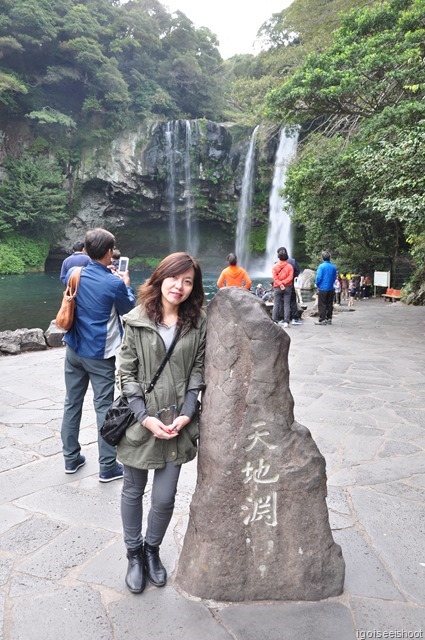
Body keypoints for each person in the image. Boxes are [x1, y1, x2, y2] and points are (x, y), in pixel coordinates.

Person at [116, 252, 207, 595]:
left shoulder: (197, 322)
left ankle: (152, 551)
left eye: (188, 282)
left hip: (177, 423)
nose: (180, 287)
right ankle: (133, 555)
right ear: (160, 278)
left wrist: (188, 412)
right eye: (174, 278)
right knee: (133, 490)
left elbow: (198, 370)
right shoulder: (137, 320)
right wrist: (144, 416)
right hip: (142, 422)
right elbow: (125, 373)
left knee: (165, 498)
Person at [60, 228, 136, 482]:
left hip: (73, 348)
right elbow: (129, 308)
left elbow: (80, 289)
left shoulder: (74, 273)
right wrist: (125, 284)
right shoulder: (114, 283)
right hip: (100, 354)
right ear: (108, 252)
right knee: (104, 406)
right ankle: (107, 466)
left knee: (72, 403)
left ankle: (71, 459)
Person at [271, 247, 294, 329]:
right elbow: (290, 278)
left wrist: (280, 284)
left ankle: (274, 320)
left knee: (276, 303)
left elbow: (275, 278)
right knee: (287, 304)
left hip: (277, 287)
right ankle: (286, 322)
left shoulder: (274, 267)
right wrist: (284, 283)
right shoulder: (290, 267)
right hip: (287, 287)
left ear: (278, 256)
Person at [315, 251, 337, 325]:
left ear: (322, 258)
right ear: (329, 258)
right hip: (331, 288)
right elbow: (334, 277)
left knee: (322, 304)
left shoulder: (321, 266)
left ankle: (322, 319)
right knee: (329, 304)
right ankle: (329, 318)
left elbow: (319, 277)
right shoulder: (333, 267)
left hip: (323, 288)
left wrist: (317, 284)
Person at [285, 249, 303, 325]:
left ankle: (282, 318)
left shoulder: (277, 263)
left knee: (282, 302)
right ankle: (295, 318)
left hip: (280, 286)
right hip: (290, 284)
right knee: (292, 301)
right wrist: (293, 277)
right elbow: (297, 271)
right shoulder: (292, 261)